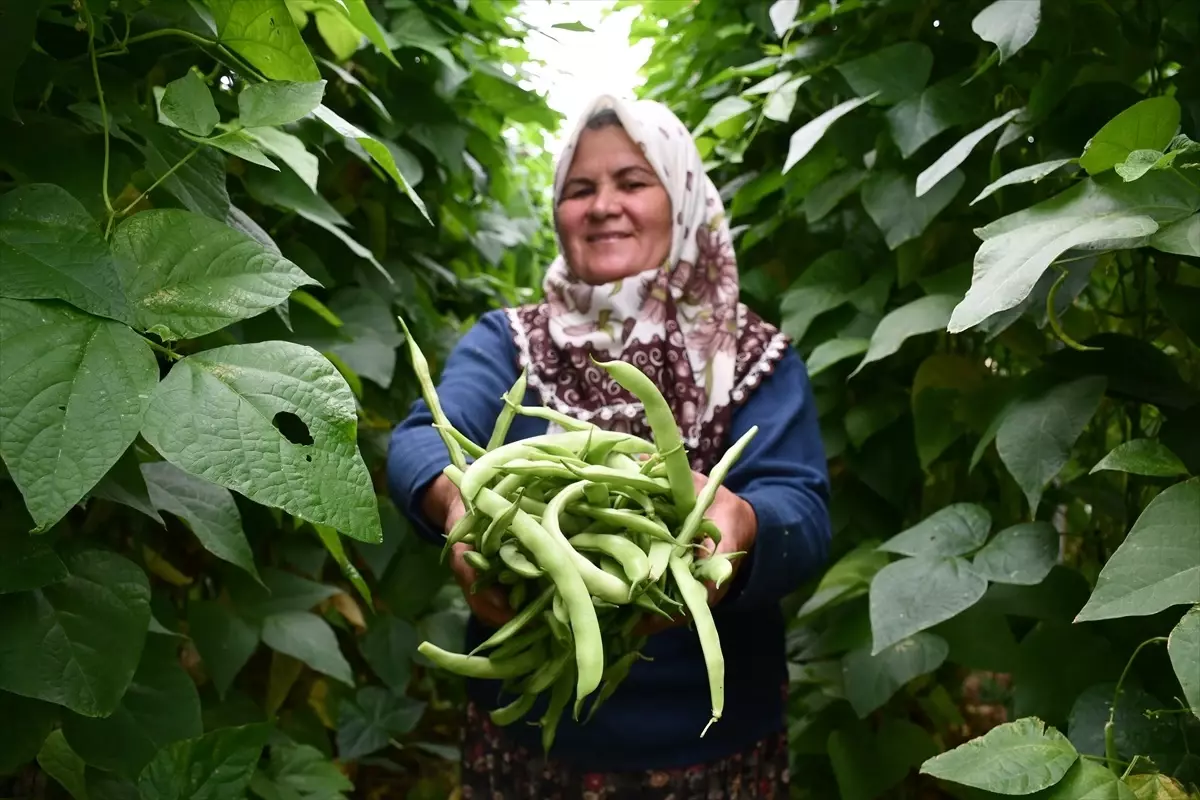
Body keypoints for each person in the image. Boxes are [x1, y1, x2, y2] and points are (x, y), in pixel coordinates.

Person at [387, 94, 831, 799]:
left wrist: (742, 523)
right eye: (580, 189)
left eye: (632, 181)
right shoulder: (509, 342)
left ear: (681, 195)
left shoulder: (753, 353)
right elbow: (420, 441)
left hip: (711, 745)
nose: (603, 206)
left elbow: (801, 507)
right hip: (528, 739)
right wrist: (453, 503)